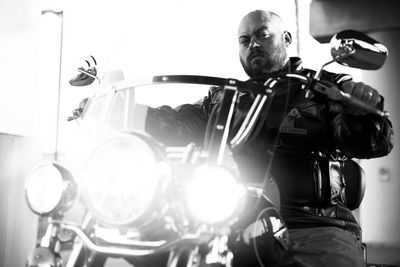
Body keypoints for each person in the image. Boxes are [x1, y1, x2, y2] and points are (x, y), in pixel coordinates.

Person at [143, 10, 394, 267]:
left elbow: (375, 141)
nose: (252, 44)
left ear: (286, 38)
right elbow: (177, 122)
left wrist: (359, 112)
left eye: (262, 35)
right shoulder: (225, 98)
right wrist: (130, 111)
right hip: (240, 226)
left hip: (315, 226)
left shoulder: (326, 88)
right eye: (244, 40)